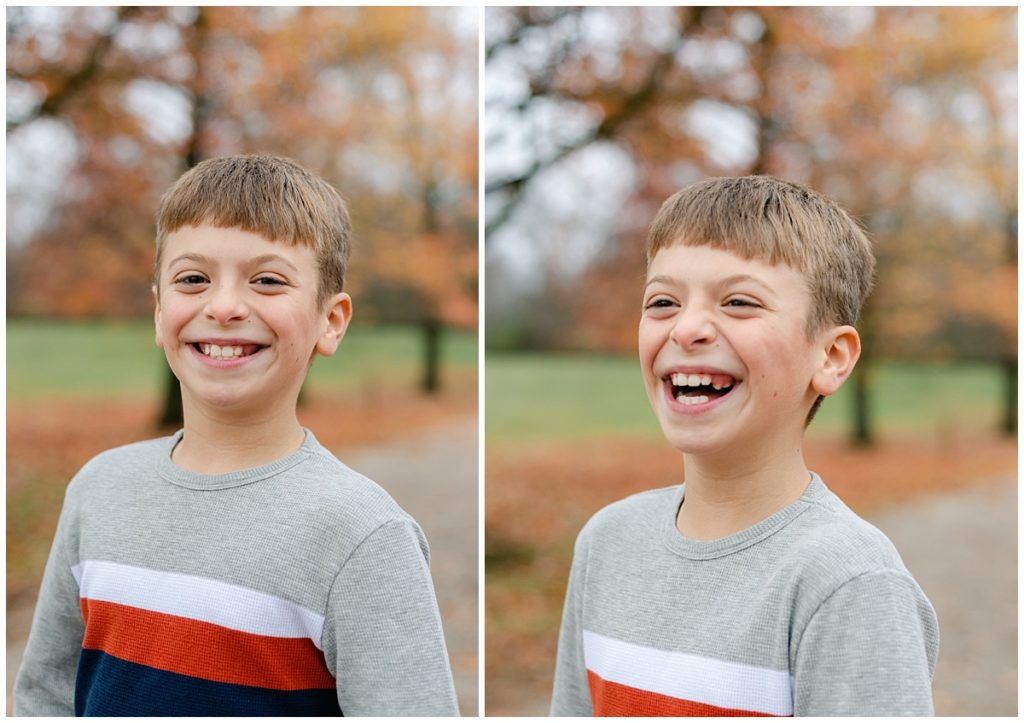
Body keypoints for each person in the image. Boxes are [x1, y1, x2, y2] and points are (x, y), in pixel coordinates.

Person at [13, 154, 460, 716]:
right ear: (159, 312)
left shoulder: (364, 536)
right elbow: (44, 696)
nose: (223, 307)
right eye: (193, 279)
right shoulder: (98, 490)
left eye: (268, 280)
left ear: (331, 321)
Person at [550, 176, 939, 717]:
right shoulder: (607, 543)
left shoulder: (848, 581)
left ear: (830, 357)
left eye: (738, 301)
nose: (687, 328)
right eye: (663, 301)